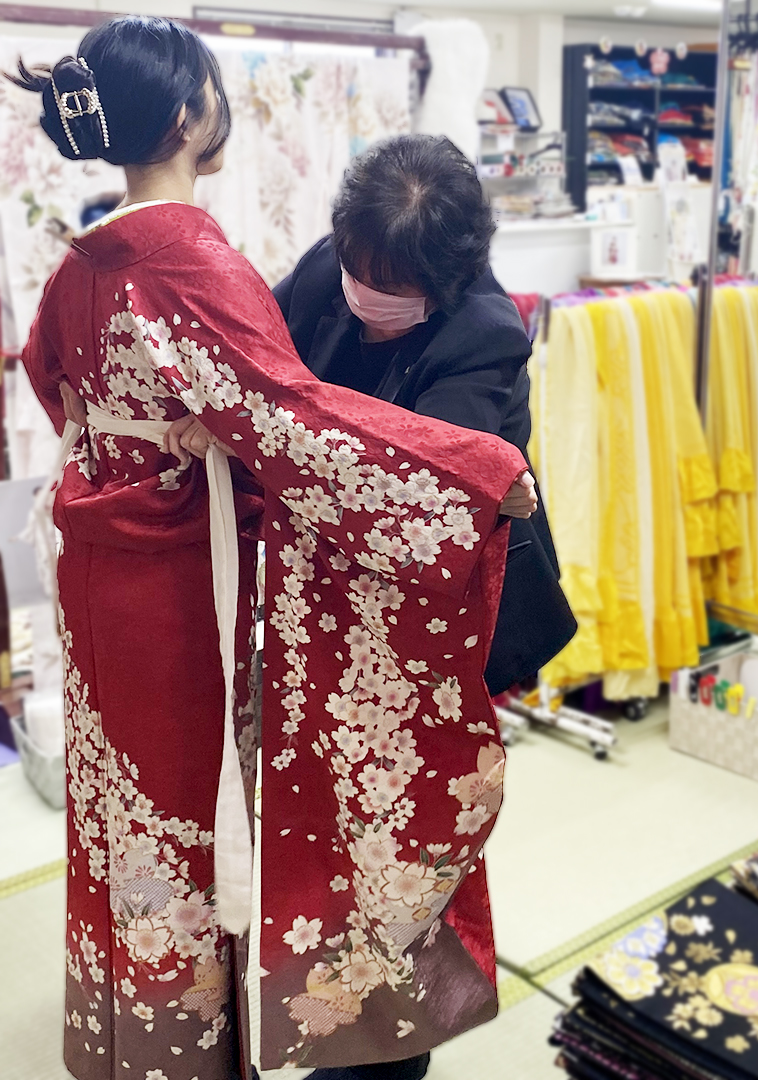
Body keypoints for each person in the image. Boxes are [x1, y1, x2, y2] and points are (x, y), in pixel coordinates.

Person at [14, 17, 536, 1080]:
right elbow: (287, 416)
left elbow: (48, 374)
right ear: (186, 116)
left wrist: (145, 450)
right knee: (184, 812)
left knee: (120, 807)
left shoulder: (86, 257)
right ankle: (192, 1054)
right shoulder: (192, 259)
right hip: (178, 585)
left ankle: (130, 1034)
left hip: (99, 569)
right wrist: (479, 472)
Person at [274, 135, 576, 700]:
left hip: (442, 585)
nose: (363, 293)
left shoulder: (485, 335)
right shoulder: (334, 261)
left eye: (388, 287)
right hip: (337, 560)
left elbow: (413, 479)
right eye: (356, 272)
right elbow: (256, 349)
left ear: (446, 280)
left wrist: (269, 427)